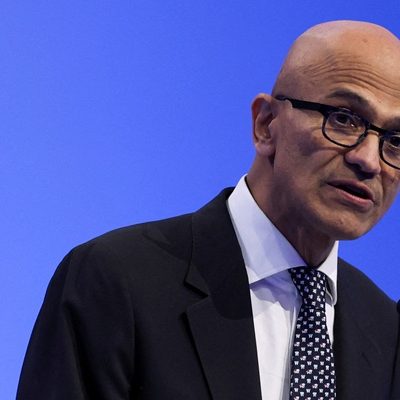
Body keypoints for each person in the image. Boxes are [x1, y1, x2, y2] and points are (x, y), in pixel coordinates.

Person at [17, 20, 400, 400]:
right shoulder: (115, 281)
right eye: (344, 119)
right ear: (266, 124)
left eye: (396, 140)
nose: (370, 160)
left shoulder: (388, 330)